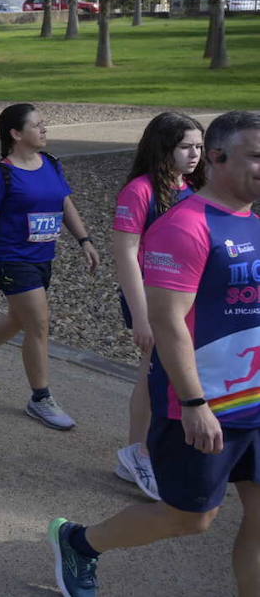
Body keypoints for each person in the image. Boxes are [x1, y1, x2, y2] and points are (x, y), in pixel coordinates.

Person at [49, 110, 260, 597]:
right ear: (218, 158)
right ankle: (81, 542)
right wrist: (193, 403)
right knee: (190, 518)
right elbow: (168, 322)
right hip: (204, 403)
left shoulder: (252, 222)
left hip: (253, 399)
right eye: (255, 156)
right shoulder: (185, 226)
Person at [0, 103, 101, 431]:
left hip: (43, 258)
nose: (44, 130)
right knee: (38, 325)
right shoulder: (2, 174)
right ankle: (40, 398)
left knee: (18, 318)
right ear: (16, 133)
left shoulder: (51, 164)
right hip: (13, 259)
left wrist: (84, 240)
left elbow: (64, 202)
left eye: (44, 125)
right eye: (37, 125)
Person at [111, 112, 206, 500]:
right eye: (186, 147)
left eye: (199, 147)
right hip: (152, 300)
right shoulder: (140, 191)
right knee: (153, 377)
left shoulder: (194, 188)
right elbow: (126, 255)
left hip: (187, 299)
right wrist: (141, 316)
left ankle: (137, 455)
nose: (195, 154)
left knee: (164, 375)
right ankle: (140, 455)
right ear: (163, 148)